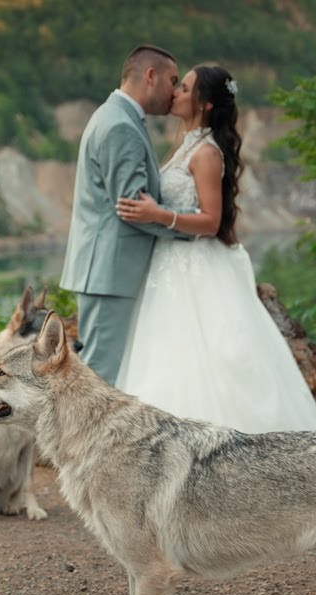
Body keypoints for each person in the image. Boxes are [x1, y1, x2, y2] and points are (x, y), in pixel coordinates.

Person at [114, 65, 316, 433]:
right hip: (171, 262)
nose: (176, 92)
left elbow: (211, 221)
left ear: (206, 103)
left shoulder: (207, 153)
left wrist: (158, 214)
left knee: (211, 355)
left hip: (197, 264)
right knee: (171, 355)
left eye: (185, 87)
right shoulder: (187, 145)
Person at [60, 45, 192, 385]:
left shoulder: (116, 116)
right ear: (151, 76)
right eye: (173, 81)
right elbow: (133, 209)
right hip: (110, 270)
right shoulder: (120, 125)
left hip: (109, 269)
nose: (175, 91)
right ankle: (81, 441)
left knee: (99, 372)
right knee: (97, 376)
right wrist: (195, 225)